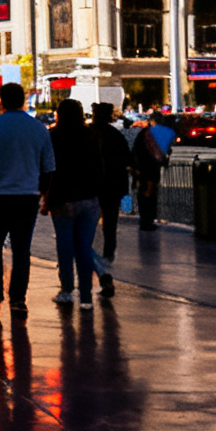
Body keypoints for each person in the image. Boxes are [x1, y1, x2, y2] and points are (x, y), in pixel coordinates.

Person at [0, 83, 56, 312]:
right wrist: (40, 191)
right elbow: (49, 167)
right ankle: (18, 299)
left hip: (0, 197)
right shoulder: (39, 129)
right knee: (21, 250)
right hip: (27, 197)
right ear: (24, 100)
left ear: (0, 101)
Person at [46, 98, 107, 307]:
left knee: (64, 247)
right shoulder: (92, 136)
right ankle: (86, 297)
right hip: (89, 198)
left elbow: (48, 169)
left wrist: (46, 196)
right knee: (84, 248)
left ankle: (66, 291)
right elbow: (99, 169)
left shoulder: (53, 136)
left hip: (62, 198)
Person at [90, 103, 132, 291]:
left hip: (91, 186)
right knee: (110, 222)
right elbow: (127, 160)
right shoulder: (116, 136)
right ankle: (108, 253)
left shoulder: (87, 134)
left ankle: (92, 255)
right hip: (113, 185)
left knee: (88, 225)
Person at [133, 106, 172, 231]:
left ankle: (146, 219)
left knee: (145, 194)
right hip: (151, 169)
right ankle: (148, 220)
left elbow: (136, 151)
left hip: (144, 169)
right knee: (150, 194)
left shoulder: (144, 134)